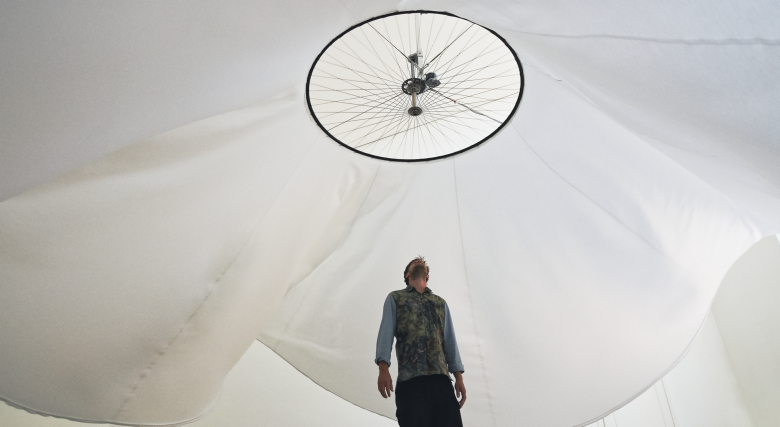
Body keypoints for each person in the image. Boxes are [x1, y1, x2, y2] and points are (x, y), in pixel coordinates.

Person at [375, 256, 466, 427]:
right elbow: (385, 333)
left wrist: (458, 378)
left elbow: (450, 342)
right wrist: (383, 368)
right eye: (413, 262)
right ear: (407, 275)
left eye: (422, 262)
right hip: (411, 382)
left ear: (427, 276)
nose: (419, 261)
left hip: (441, 382)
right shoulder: (396, 298)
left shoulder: (440, 303)